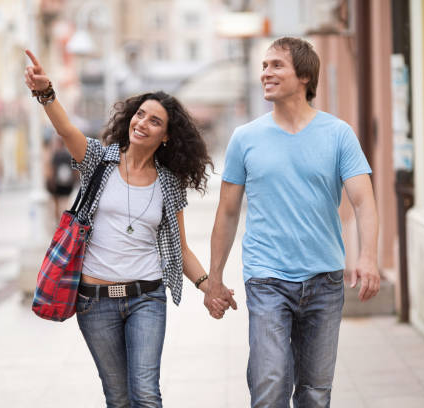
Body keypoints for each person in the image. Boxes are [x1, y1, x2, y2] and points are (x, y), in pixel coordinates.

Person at [25, 49, 233, 407]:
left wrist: (207, 286)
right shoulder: (99, 161)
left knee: (147, 394)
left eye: (154, 121)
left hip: (146, 297)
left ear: (166, 136)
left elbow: (180, 248)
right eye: (140, 114)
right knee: (118, 398)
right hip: (95, 302)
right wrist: (46, 93)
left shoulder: (168, 183)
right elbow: (65, 129)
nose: (142, 123)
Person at [205, 37, 380, 407]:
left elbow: (363, 201)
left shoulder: (338, 134)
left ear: (304, 76)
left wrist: (367, 257)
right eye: (264, 65)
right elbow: (228, 211)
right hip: (267, 277)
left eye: (276, 65)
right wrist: (214, 277)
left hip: (324, 278)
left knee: (315, 392)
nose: (265, 73)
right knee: (270, 385)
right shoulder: (245, 138)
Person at [43, 135, 76, 225]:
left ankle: (60, 222)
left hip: (57, 184)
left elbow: (52, 169)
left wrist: (51, 181)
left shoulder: (56, 155)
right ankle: (66, 222)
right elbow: (74, 170)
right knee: (66, 203)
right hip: (68, 184)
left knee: (57, 204)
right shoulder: (69, 155)